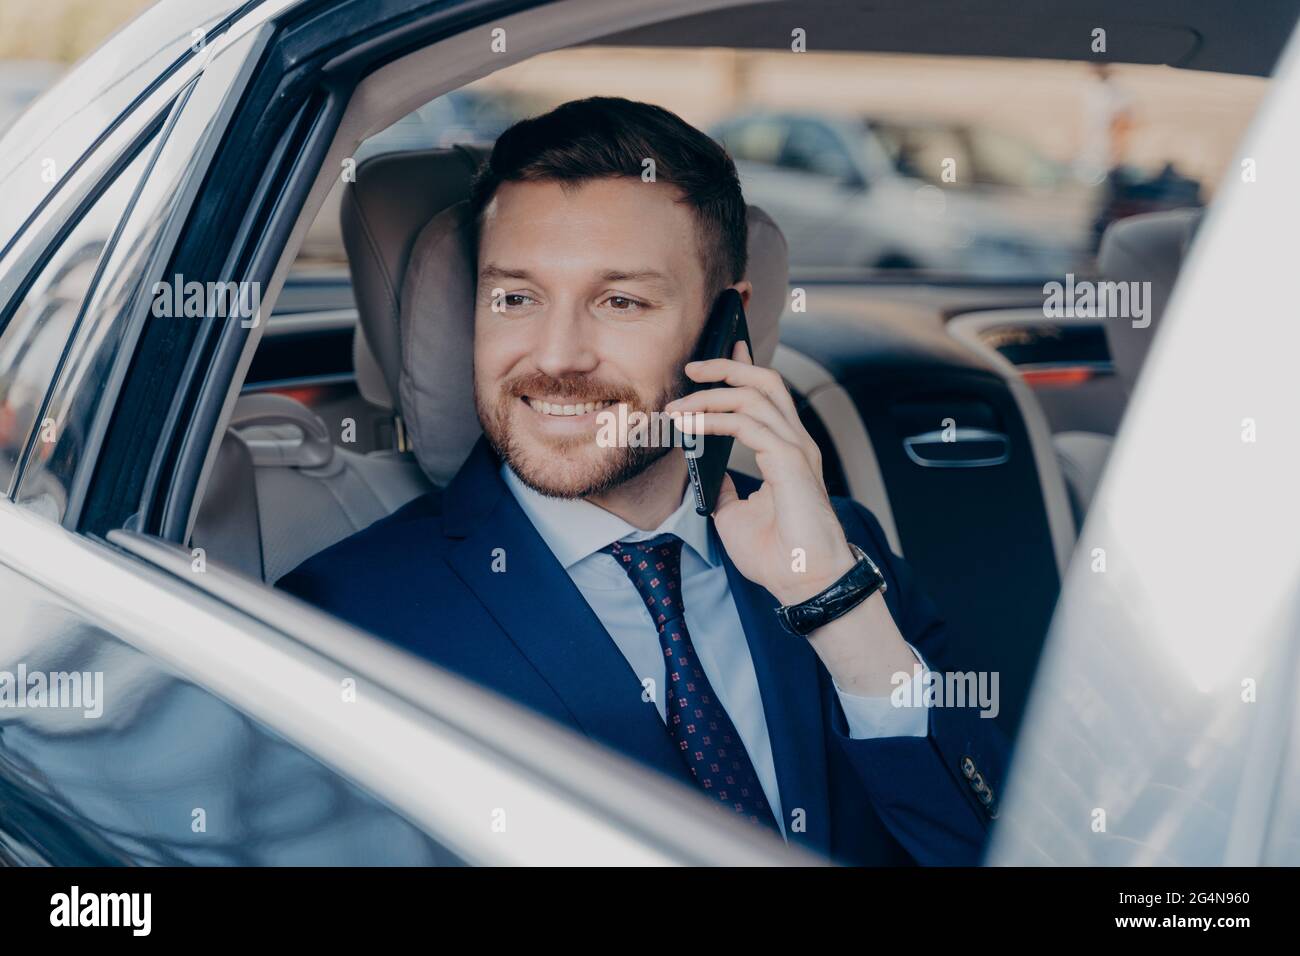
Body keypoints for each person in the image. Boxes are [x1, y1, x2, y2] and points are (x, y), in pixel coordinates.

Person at [279, 96, 1006, 865]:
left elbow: (990, 848)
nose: (557, 356)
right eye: (516, 298)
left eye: (620, 301)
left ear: (727, 325)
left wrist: (835, 605)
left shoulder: (841, 553)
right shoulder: (338, 625)